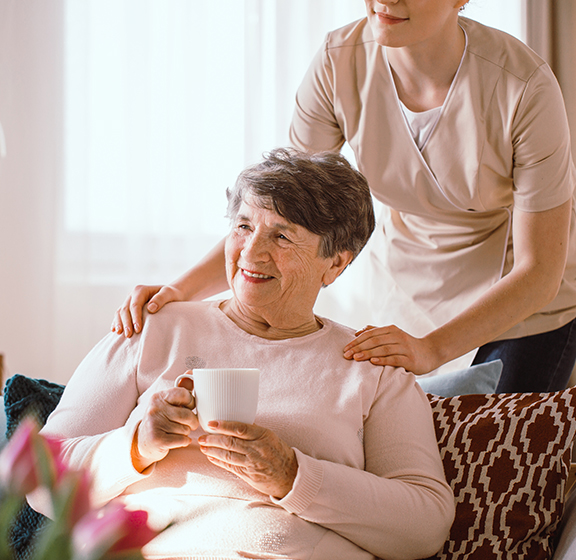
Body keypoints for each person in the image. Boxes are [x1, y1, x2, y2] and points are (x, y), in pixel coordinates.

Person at [112, 2, 576, 394]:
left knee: (490, 475)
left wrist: (431, 349)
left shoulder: (523, 86)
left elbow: (539, 273)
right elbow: (280, 211)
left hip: (520, 303)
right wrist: (179, 290)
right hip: (409, 292)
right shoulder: (339, 60)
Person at [30, 149, 454, 560]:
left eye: (282, 236)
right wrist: (136, 444)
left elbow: (425, 525)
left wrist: (293, 475)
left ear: (335, 264)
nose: (251, 253)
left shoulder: (371, 367)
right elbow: (38, 478)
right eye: (243, 227)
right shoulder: (150, 327)